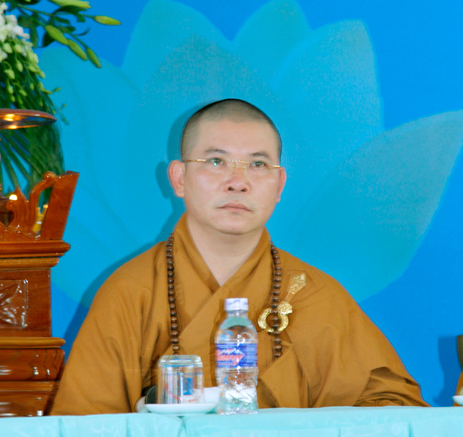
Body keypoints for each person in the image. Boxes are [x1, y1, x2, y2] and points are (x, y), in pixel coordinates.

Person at [51, 99, 427, 414]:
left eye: (258, 164)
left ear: (279, 185)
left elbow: (394, 411)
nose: (237, 181)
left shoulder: (313, 295)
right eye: (216, 161)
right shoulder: (130, 293)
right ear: (179, 178)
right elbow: (86, 434)